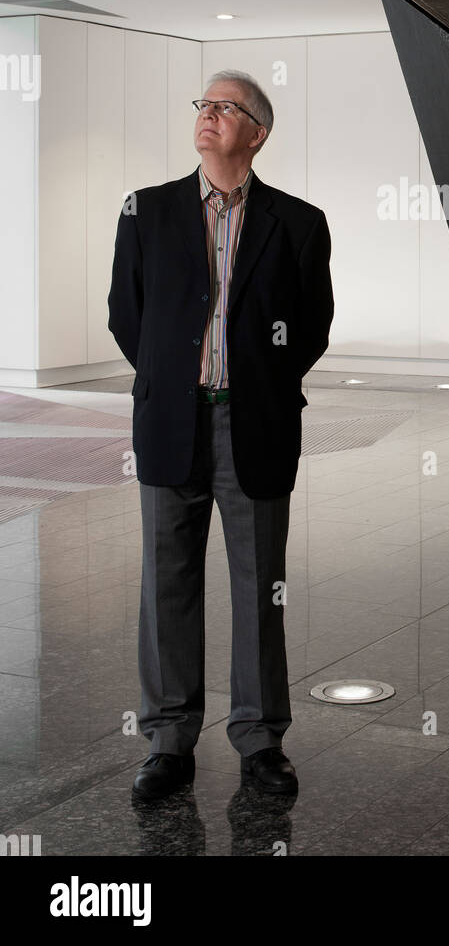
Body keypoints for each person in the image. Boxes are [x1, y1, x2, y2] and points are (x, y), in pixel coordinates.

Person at [108, 70, 334, 801]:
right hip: (171, 421)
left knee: (257, 587)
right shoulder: (146, 211)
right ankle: (169, 742)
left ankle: (260, 740)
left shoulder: (299, 223)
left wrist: (259, 382)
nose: (207, 115)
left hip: (255, 424)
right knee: (165, 583)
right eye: (203, 104)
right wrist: (172, 379)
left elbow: (309, 327)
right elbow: (126, 314)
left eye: (224, 107)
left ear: (256, 132)